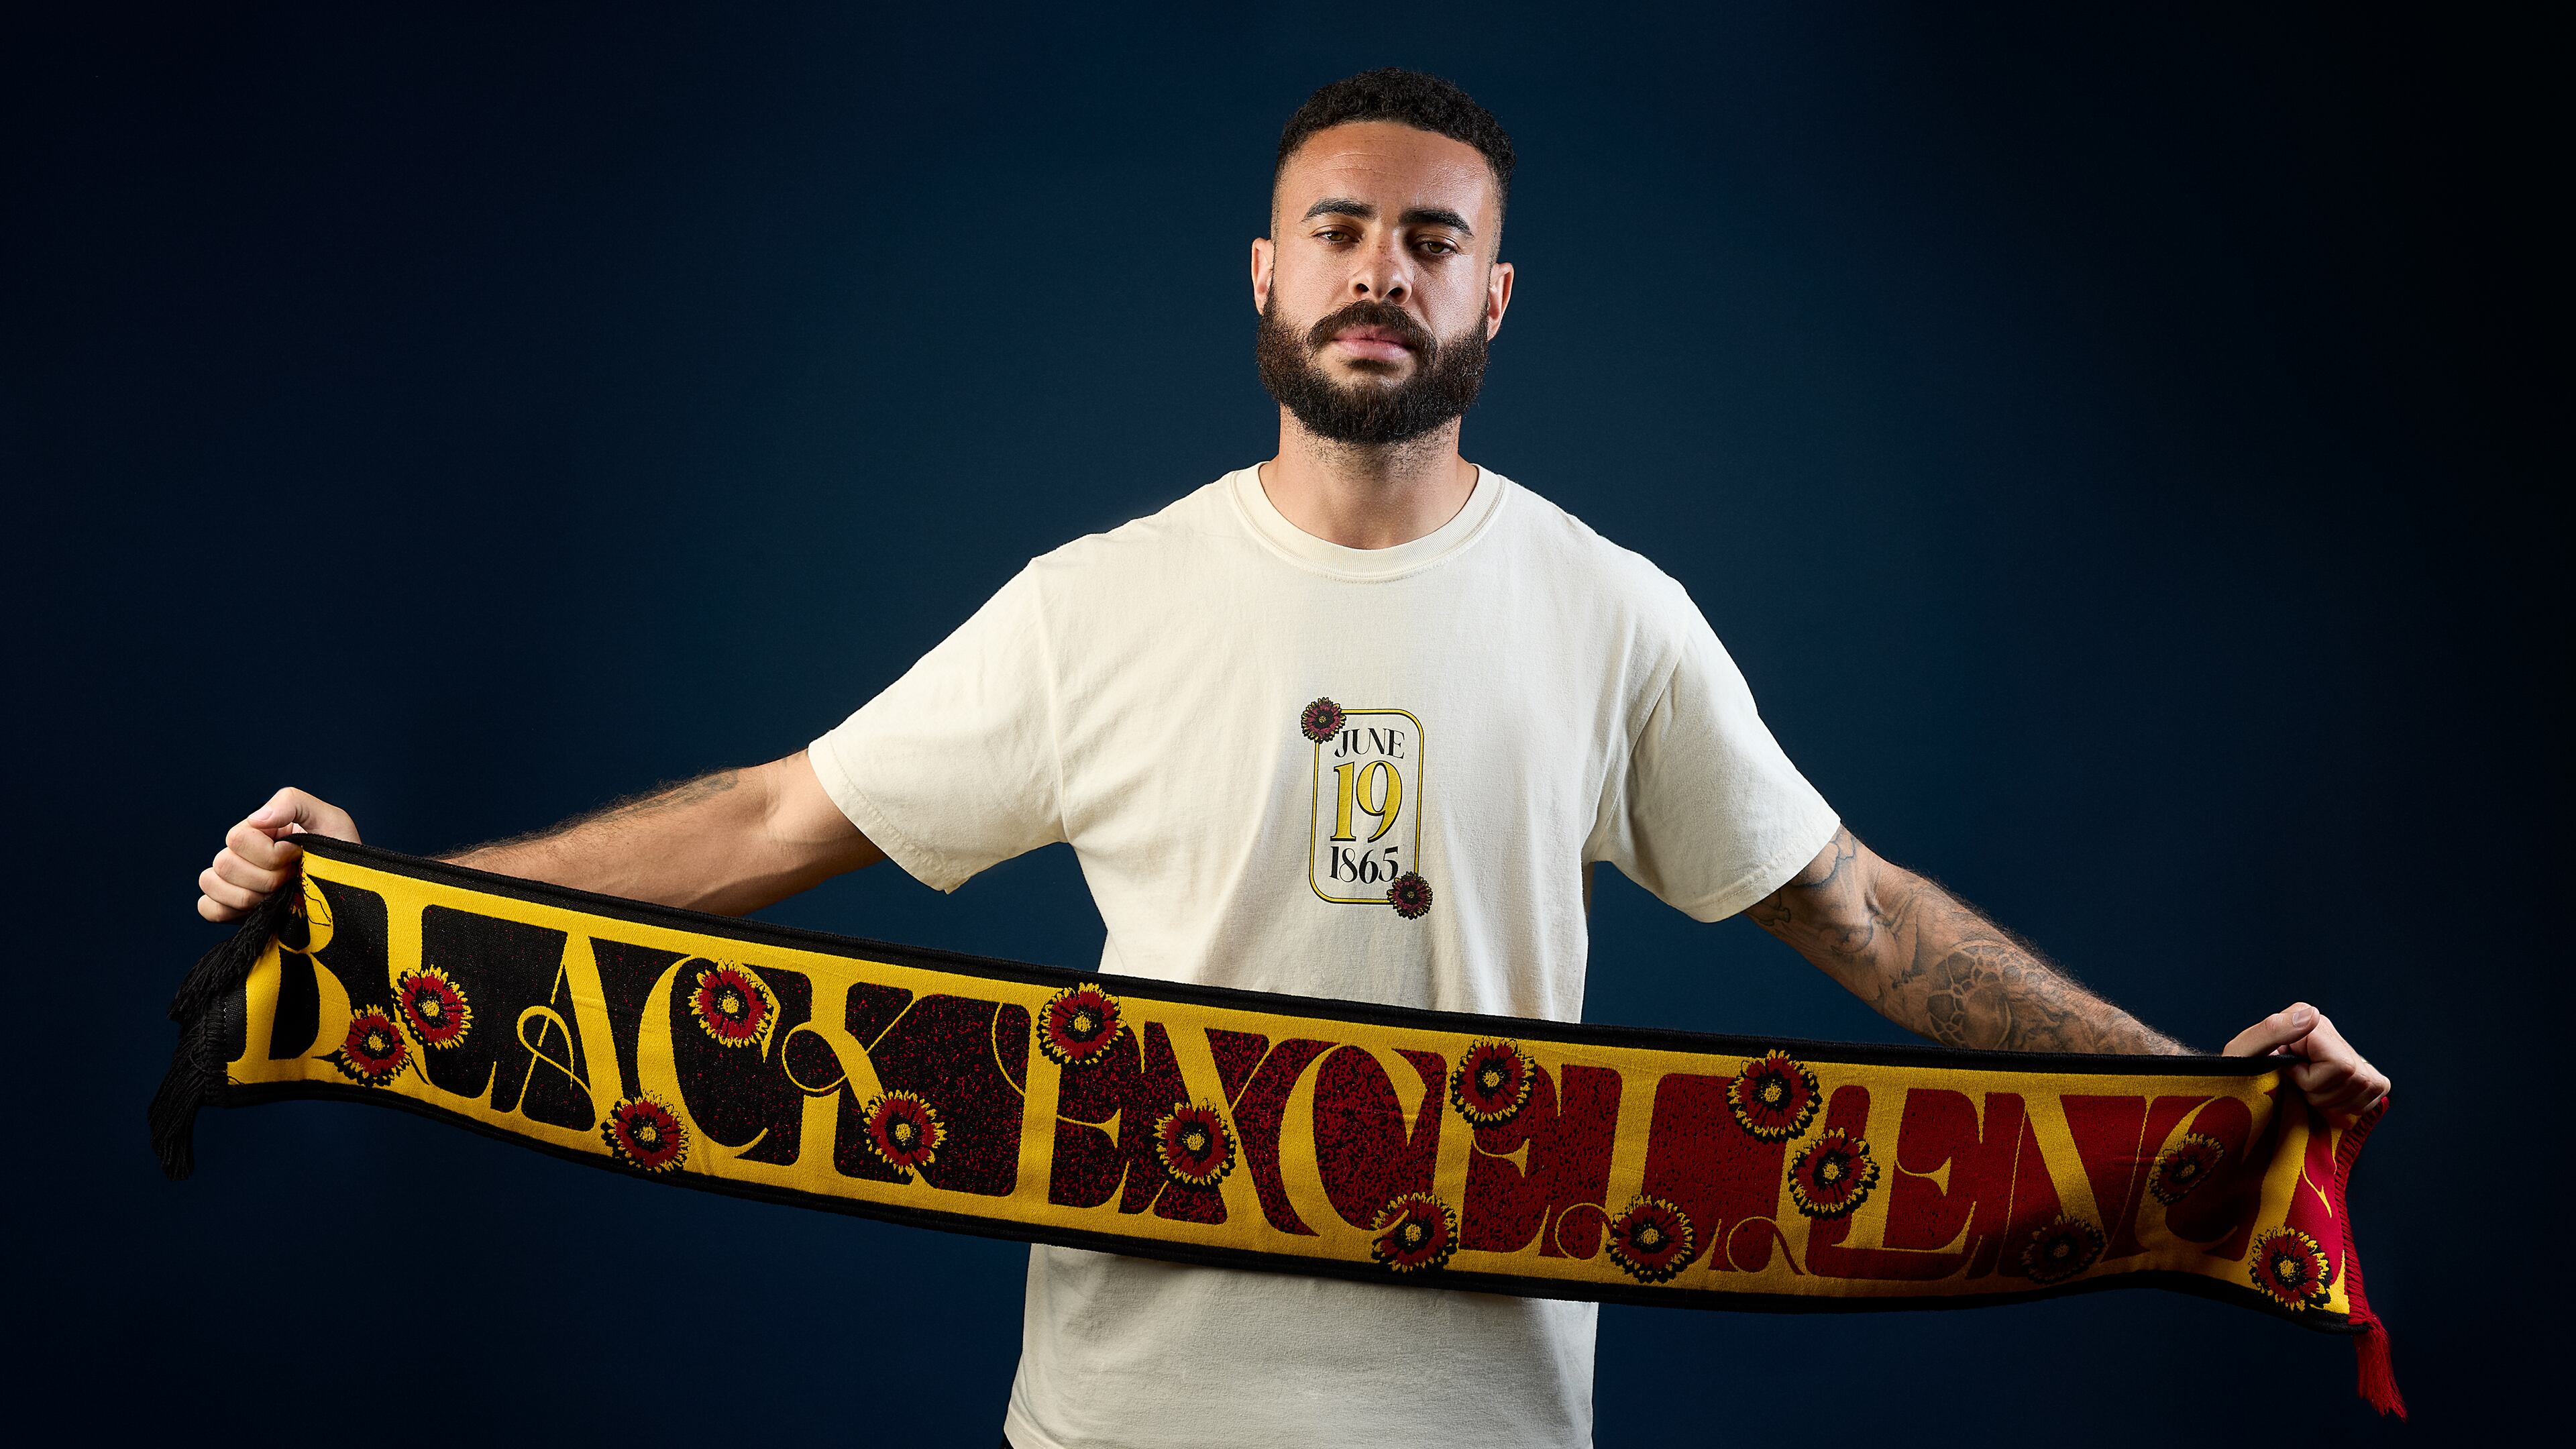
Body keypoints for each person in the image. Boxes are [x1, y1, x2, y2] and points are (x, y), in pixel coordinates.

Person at [193, 68, 2388, 1449]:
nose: (1381, 271)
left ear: (1495, 300)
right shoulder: (1097, 601)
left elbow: (1860, 911)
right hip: (1122, 1421)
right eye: (1341, 229)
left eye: (1434, 240)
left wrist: (2192, 1090)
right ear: (1265, 272)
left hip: (1487, 1424)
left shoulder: (1611, 610)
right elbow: (775, 822)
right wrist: (388, 907)